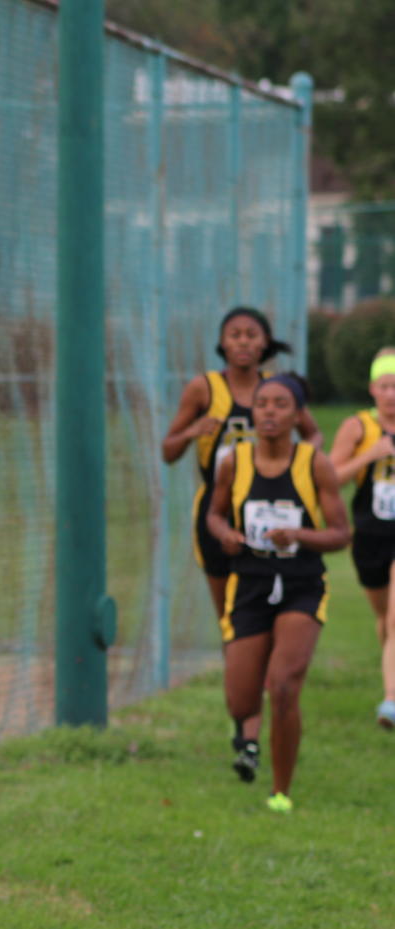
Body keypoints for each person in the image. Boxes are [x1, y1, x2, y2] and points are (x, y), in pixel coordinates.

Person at [160, 306, 320, 779]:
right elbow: (168, 451)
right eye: (235, 334)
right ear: (222, 343)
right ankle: (247, 732)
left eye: (253, 335)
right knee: (236, 624)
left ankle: (257, 725)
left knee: (271, 623)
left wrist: (305, 474)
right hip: (219, 521)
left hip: (274, 523)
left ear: (266, 342)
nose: (245, 342)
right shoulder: (204, 390)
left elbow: (314, 435)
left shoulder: (279, 392)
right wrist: (193, 431)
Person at [207, 373, 348, 813]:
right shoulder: (234, 461)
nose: (268, 411)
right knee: (241, 699)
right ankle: (248, 738)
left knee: (284, 685)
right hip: (248, 584)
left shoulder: (314, 464)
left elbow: (342, 534)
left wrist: (300, 536)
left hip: (301, 586)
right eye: (262, 403)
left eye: (280, 404)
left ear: (296, 414)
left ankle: (281, 791)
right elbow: (213, 514)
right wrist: (225, 533)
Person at [327, 347, 395, 729]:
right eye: (385, 386)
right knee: (385, 619)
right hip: (369, 535)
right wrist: (370, 455)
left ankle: (390, 701)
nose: (392, 394)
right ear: (373, 389)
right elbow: (330, 478)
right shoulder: (358, 427)